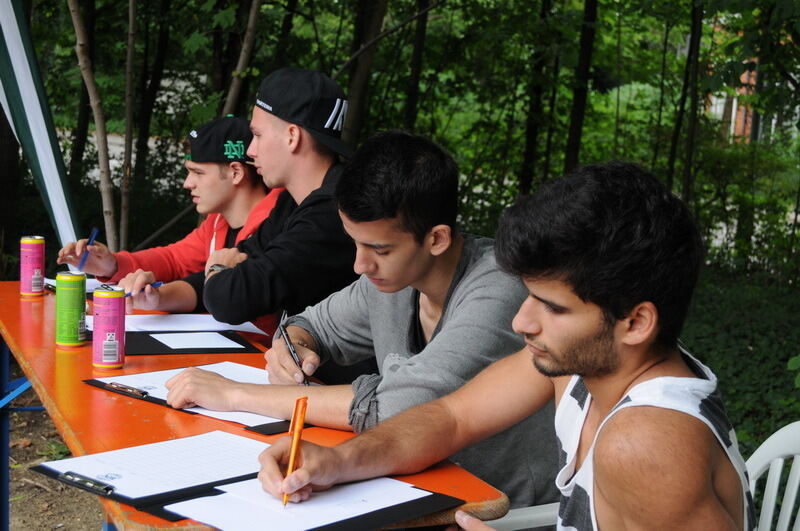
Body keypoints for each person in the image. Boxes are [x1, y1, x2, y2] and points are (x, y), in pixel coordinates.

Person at [257, 162, 756, 530]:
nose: (522, 320)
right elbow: (451, 418)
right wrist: (338, 462)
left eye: (553, 307)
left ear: (636, 321)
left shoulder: (645, 442)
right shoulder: (583, 363)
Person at [163, 131, 559, 508]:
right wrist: (294, 342)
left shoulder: (500, 290)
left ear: (436, 238)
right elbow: (312, 324)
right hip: (402, 483)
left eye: (378, 249)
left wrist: (234, 394)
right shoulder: (395, 278)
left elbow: (401, 407)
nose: (359, 263)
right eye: (354, 242)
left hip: (494, 506)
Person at [117, 68, 358, 341]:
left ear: (292, 136)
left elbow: (231, 299)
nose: (251, 151)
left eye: (257, 135)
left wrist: (217, 269)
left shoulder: (334, 211)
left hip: (332, 380)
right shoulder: (292, 201)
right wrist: (158, 298)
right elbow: (227, 276)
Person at [57, 115, 280, 286]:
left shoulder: (280, 223)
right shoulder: (217, 222)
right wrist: (112, 264)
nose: (187, 183)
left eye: (198, 173)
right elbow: (174, 259)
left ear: (236, 173)